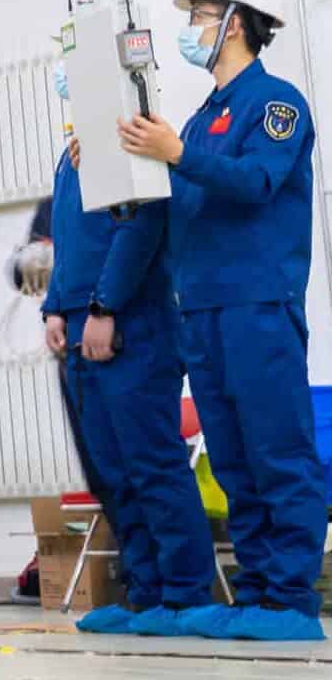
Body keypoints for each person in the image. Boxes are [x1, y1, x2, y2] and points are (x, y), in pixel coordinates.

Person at [117, 0, 321, 643]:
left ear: (235, 23)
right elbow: (177, 204)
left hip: (257, 305)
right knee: (232, 460)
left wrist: (176, 152)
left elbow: (256, 180)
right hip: (201, 309)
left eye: (201, 16)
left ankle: (291, 600)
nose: (193, 28)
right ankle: (256, 591)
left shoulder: (276, 104)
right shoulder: (202, 119)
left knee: (277, 450)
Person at [36, 67, 215, 637]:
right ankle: (146, 593)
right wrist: (55, 308)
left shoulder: (131, 139)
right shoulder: (73, 153)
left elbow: (139, 229)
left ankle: (185, 594)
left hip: (132, 326)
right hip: (81, 325)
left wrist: (105, 306)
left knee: (150, 461)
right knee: (112, 470)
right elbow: (71, 240)